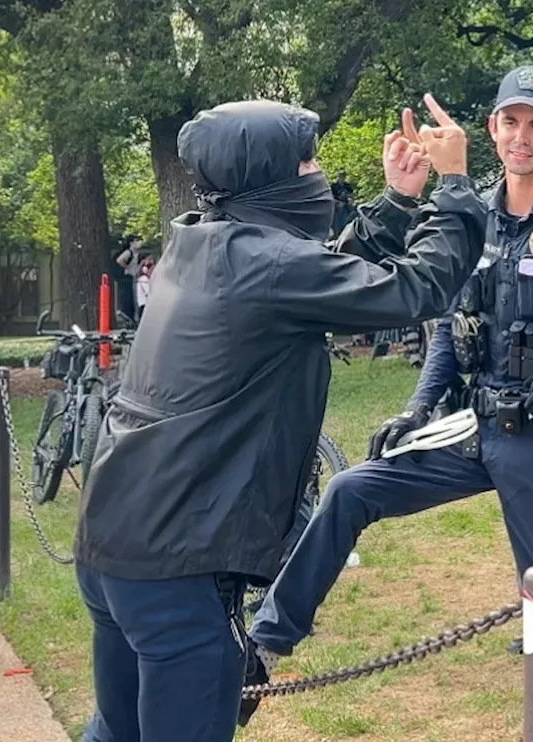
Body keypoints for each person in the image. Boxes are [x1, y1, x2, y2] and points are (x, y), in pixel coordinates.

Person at [74, 96, 486, 742]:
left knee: (116, 733)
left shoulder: (202, 241)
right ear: (269, 174)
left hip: (115, 541)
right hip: (177, 561)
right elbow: (414, 291)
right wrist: (456, 188)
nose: (317, 174)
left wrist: (397, 202)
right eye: (308, 162)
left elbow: (317, 277)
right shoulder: (263, 265)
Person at [249, 65, 533, 695]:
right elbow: (452, 331)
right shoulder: (469, 216)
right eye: (511, 122)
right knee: (349, 490)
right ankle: (264, 646)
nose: (522, 137)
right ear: (492, 128)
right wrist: (417, 409)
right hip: (471, 426)